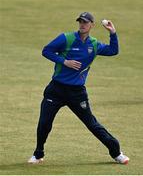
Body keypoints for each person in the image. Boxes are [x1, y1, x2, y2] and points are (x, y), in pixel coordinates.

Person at [28, 12, 129, 164]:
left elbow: (113, 51)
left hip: (77, 93)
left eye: (85, 22)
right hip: (56, 89)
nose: (82, 25)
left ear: (91, 25)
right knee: (44, 123)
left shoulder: (94, 45)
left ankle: (117, 153)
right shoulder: (66, 38)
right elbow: (46, 51)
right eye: (80, 22)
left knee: (92, 124)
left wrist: (112, 33)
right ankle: (38, 154)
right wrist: (64, 61)